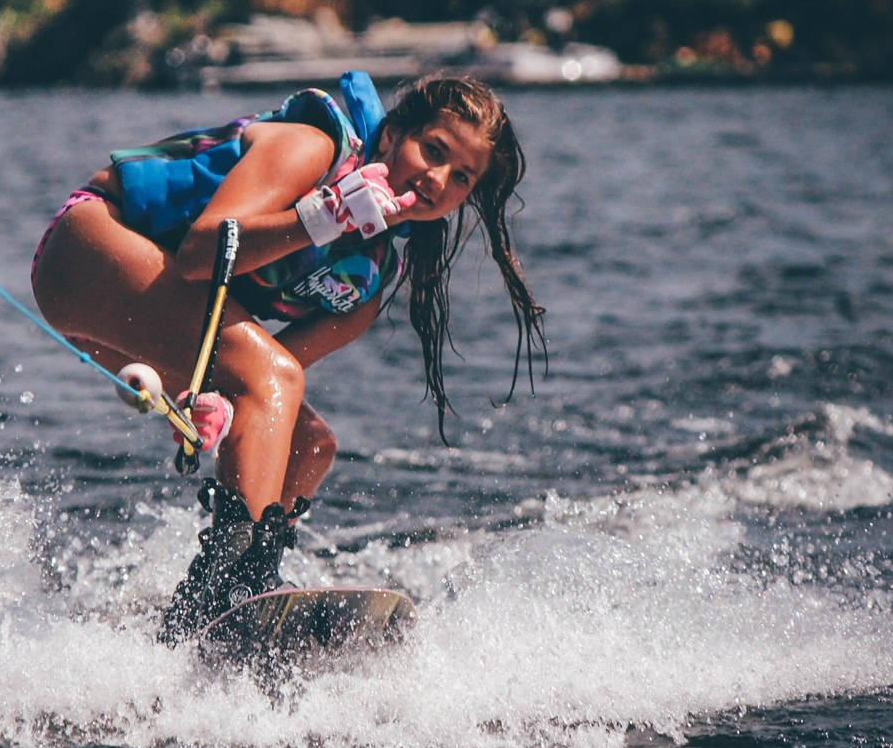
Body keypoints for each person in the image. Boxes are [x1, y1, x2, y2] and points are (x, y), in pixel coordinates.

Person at [30, 71, 543, 641]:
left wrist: (216, 398)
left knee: (311, 442)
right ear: (394, 135)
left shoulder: (368, 282)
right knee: (268, 377)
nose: (437, 179)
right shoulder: (312, 146)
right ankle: (231, 592)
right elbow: (202, 252)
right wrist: (323, 217)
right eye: (434, 150)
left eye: (461, 177)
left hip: (151, 314)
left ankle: (209, 619)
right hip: (87, 248)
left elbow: (272, 377)